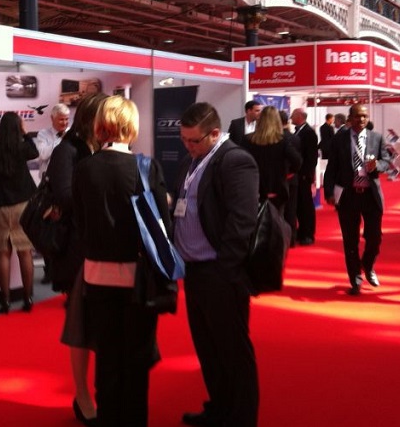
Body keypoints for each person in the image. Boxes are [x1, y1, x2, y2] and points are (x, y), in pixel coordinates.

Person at [72, 95, 169, 427]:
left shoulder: (85, 168)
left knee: (107, 358)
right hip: (137, 277)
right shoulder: (147, 168)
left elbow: (79, 223)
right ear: (131, 126)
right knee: (137, 361)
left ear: (100, 126)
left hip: (97, 275)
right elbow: (162, 228)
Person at [174, 102, 260, 427]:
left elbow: (242, 220)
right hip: (194, 270)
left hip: (220, 272)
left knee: (232, 350)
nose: (188, 146)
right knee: (208, 349)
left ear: (214, 133)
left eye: (193, 140)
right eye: (184, 139)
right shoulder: (193, 160)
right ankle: (220, 409)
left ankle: (241, 418)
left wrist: (226, 269)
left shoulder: (235, 160)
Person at [46, 93, 108, 427]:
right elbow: (64, 197)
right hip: (76, 249)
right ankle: (83, 394)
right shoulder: (67, 151)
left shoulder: (102, 148)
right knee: (81, 326)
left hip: (104, 247)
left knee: (102, 324)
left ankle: (99, 391)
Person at [323, 104, 391, 296]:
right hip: (348, 196)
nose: (361, 119)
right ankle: (355, 279)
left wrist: (378, 165)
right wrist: (329, 192)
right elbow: (332, 167)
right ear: (350, 118)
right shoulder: (339, 139)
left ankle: (368, 265)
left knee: (374, 238)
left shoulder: (376, 137)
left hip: (370, 195)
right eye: (357, 116)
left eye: (364, 116)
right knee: (350, 240)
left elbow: (387, 161)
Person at [0, 111, 39, 314]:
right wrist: (26, 133)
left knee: (2, 254)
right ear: (18, 127)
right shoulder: (21, 148)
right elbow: (34, 152)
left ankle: (5, 301)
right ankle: (28, 298)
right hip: (22, 206)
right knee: (25, 252)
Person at [34, 103, 71, 284]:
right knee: (48, 228)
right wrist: (61, 141)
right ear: (52, 119)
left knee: (66, 227)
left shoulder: (72, 134)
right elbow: (42, 154)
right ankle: (48, 269)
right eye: (61, 119)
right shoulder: (43, 134)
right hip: (47, 188)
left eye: (66, 119)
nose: (64, 123)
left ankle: (64, 269)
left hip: (66, 186)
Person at [243, 105, 302, 216]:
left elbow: (242, 163)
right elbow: (297, 161)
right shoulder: (282, 140)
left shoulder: (248, 140)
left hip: (255, 187)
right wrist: (287, 173)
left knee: (256, 220)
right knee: (276, 221)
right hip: (277, 187)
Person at [290, 108, 318, 246]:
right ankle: (302, 232)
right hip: (298, 175)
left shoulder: (309, 133)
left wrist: (307, 175)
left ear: (300, 116)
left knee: (306, 206)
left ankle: (308, 234)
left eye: (293, 115)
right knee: (300, 206)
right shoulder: (298, 131)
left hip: (304, 176)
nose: (291, 117)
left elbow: (311, 158)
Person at [280, 110, 301, 246]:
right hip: (292, 178)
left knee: (280, 210)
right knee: (291, 210)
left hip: (281, 178)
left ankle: (283, 239)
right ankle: (291, 238)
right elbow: (298, 159)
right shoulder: (295, 138)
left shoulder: (278, 138)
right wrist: (293, 172)